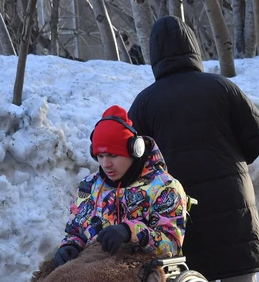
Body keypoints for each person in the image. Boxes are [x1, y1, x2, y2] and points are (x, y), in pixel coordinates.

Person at [128, 15, 259, 282]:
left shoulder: (144, 103)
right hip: (231, 195)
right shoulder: (223, 88)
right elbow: (254, 140)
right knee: (239, 274)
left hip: (178, 206)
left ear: (154, 55)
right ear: (193, 48)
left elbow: (135, 162)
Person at [53, 105, 188, 267]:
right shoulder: (88, 187)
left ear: (134, 150)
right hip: (91, 269)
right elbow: (75, 232)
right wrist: (70, 245)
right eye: (100, 156)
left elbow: (171, 245)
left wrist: (129, 232)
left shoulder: (164, 187)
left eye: (113, 155)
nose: (106, 164)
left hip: (144, 272)